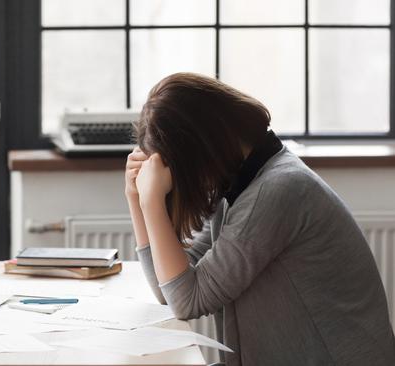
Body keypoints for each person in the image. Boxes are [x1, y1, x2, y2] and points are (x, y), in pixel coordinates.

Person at [125, 72, 395, 366]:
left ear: (199, 151)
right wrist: (136, 200)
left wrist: (151, 201)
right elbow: (170, 288)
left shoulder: (276, 191)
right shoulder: (239, 183)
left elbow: (185, 300)